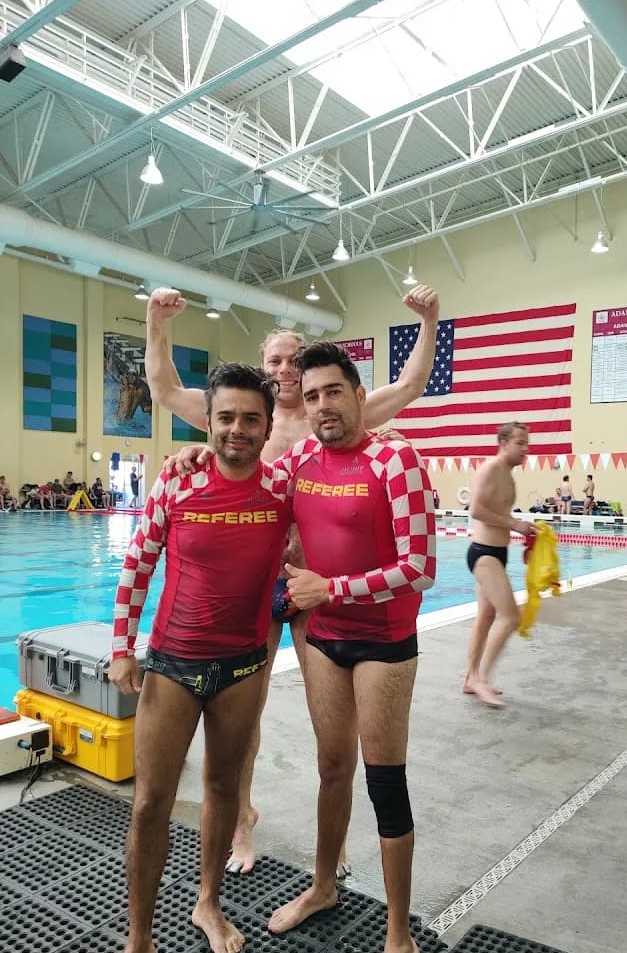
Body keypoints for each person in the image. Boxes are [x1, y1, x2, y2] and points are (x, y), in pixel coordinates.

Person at [144, 284, 439, 875]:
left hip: (313, 590)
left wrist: (429, 322)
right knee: (242, 714)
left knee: (328, 726)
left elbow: (408, 386)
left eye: (292, 358)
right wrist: (156, 324)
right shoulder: (247, 418)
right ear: (263, 368)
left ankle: (331, 845)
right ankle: (243, 819)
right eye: (274, 360)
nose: (284, 369)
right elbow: (163, 388)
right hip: (260, 584)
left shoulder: (328, 415)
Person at [83, 363, 292, 953]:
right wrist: (122, 648)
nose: (236, 429)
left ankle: (207, 900)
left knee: (225, 789)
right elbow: (137, 565)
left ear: (267, 425)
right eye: (225, 417)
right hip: (172, 663)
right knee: (149, 804)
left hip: (242, 667)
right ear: (209, 421)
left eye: (249, 418)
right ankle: (138, 941)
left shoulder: (284, 488)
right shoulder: (178, 480)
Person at [260, 341, 436, 953]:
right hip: (326, 641)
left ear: (360, 395)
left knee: (382, 777)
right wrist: (201, 458)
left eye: (334, 391)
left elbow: (420, 567)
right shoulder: (301, 458)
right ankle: (324, 883)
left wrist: (329, 588)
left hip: (384, 643)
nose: (323, 406)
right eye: (311, 396)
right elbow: (255, 490)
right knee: (331, 767)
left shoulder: (398, 458)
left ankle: (399, 939)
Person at [463, 423, 534, 708]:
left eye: (527, 443)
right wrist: (515, 524)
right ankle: (482, 678)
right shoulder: (490, 468)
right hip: (483, 553)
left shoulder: (509, 475)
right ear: (503, 443)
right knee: (511, 617)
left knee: (486, 618)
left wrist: (522, 530)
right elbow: (476, 510)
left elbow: (498, 511)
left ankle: (470, 677)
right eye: (520, 443)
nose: (526, 449)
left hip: (497, 552)